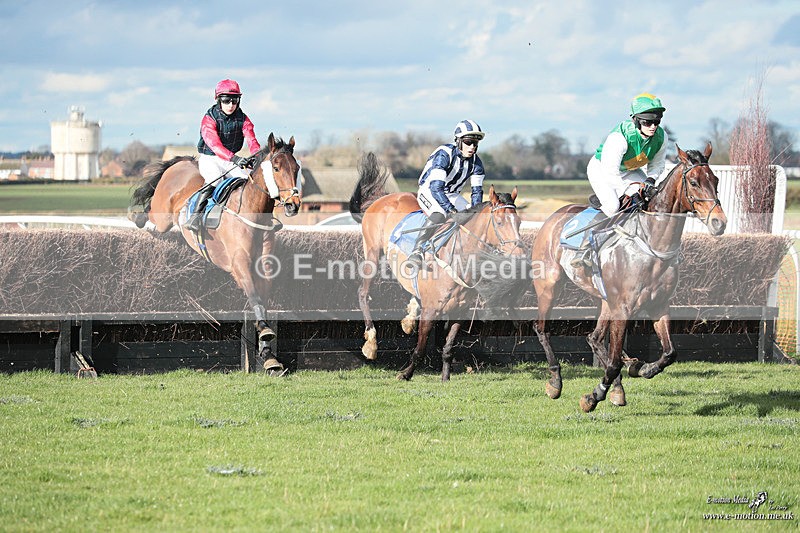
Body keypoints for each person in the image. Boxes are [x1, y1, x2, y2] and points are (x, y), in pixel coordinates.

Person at [571, 93, 668, 268]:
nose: (653, 127)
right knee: (613, 206)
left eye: (657, 122)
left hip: (629, 170)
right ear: (636, 120)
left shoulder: (661, 137)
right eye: (647, 122)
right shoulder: (619, 138)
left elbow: (658, 164)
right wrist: (628, 191)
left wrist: (651, 180)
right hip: (602, 170)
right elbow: (610, 172)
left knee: (651, 199)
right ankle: (584, 247)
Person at [407, 119, 486, 267]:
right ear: (458, 141)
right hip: (430, 190)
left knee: (472, 217)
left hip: (452, 194)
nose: (472, 147)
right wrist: (450, 209)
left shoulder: (477, 163)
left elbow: (477, 193)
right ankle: (416, 250)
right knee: (440, 212)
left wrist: (476, 213)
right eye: (468, 142)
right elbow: (436, 187)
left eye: (475, 143)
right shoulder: (445, 154)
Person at [184, 79, 262, 231]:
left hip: (230, 159)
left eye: (235, 100)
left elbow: (251, 139)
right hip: (210, 158)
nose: (231, 105)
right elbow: (215, 145)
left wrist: (257, 156)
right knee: (215, 179)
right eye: (226, 100)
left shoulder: (243, 118)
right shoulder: (209, 118)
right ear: (219, 100)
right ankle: (195, 217)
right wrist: (235, 158)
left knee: (247, 182)